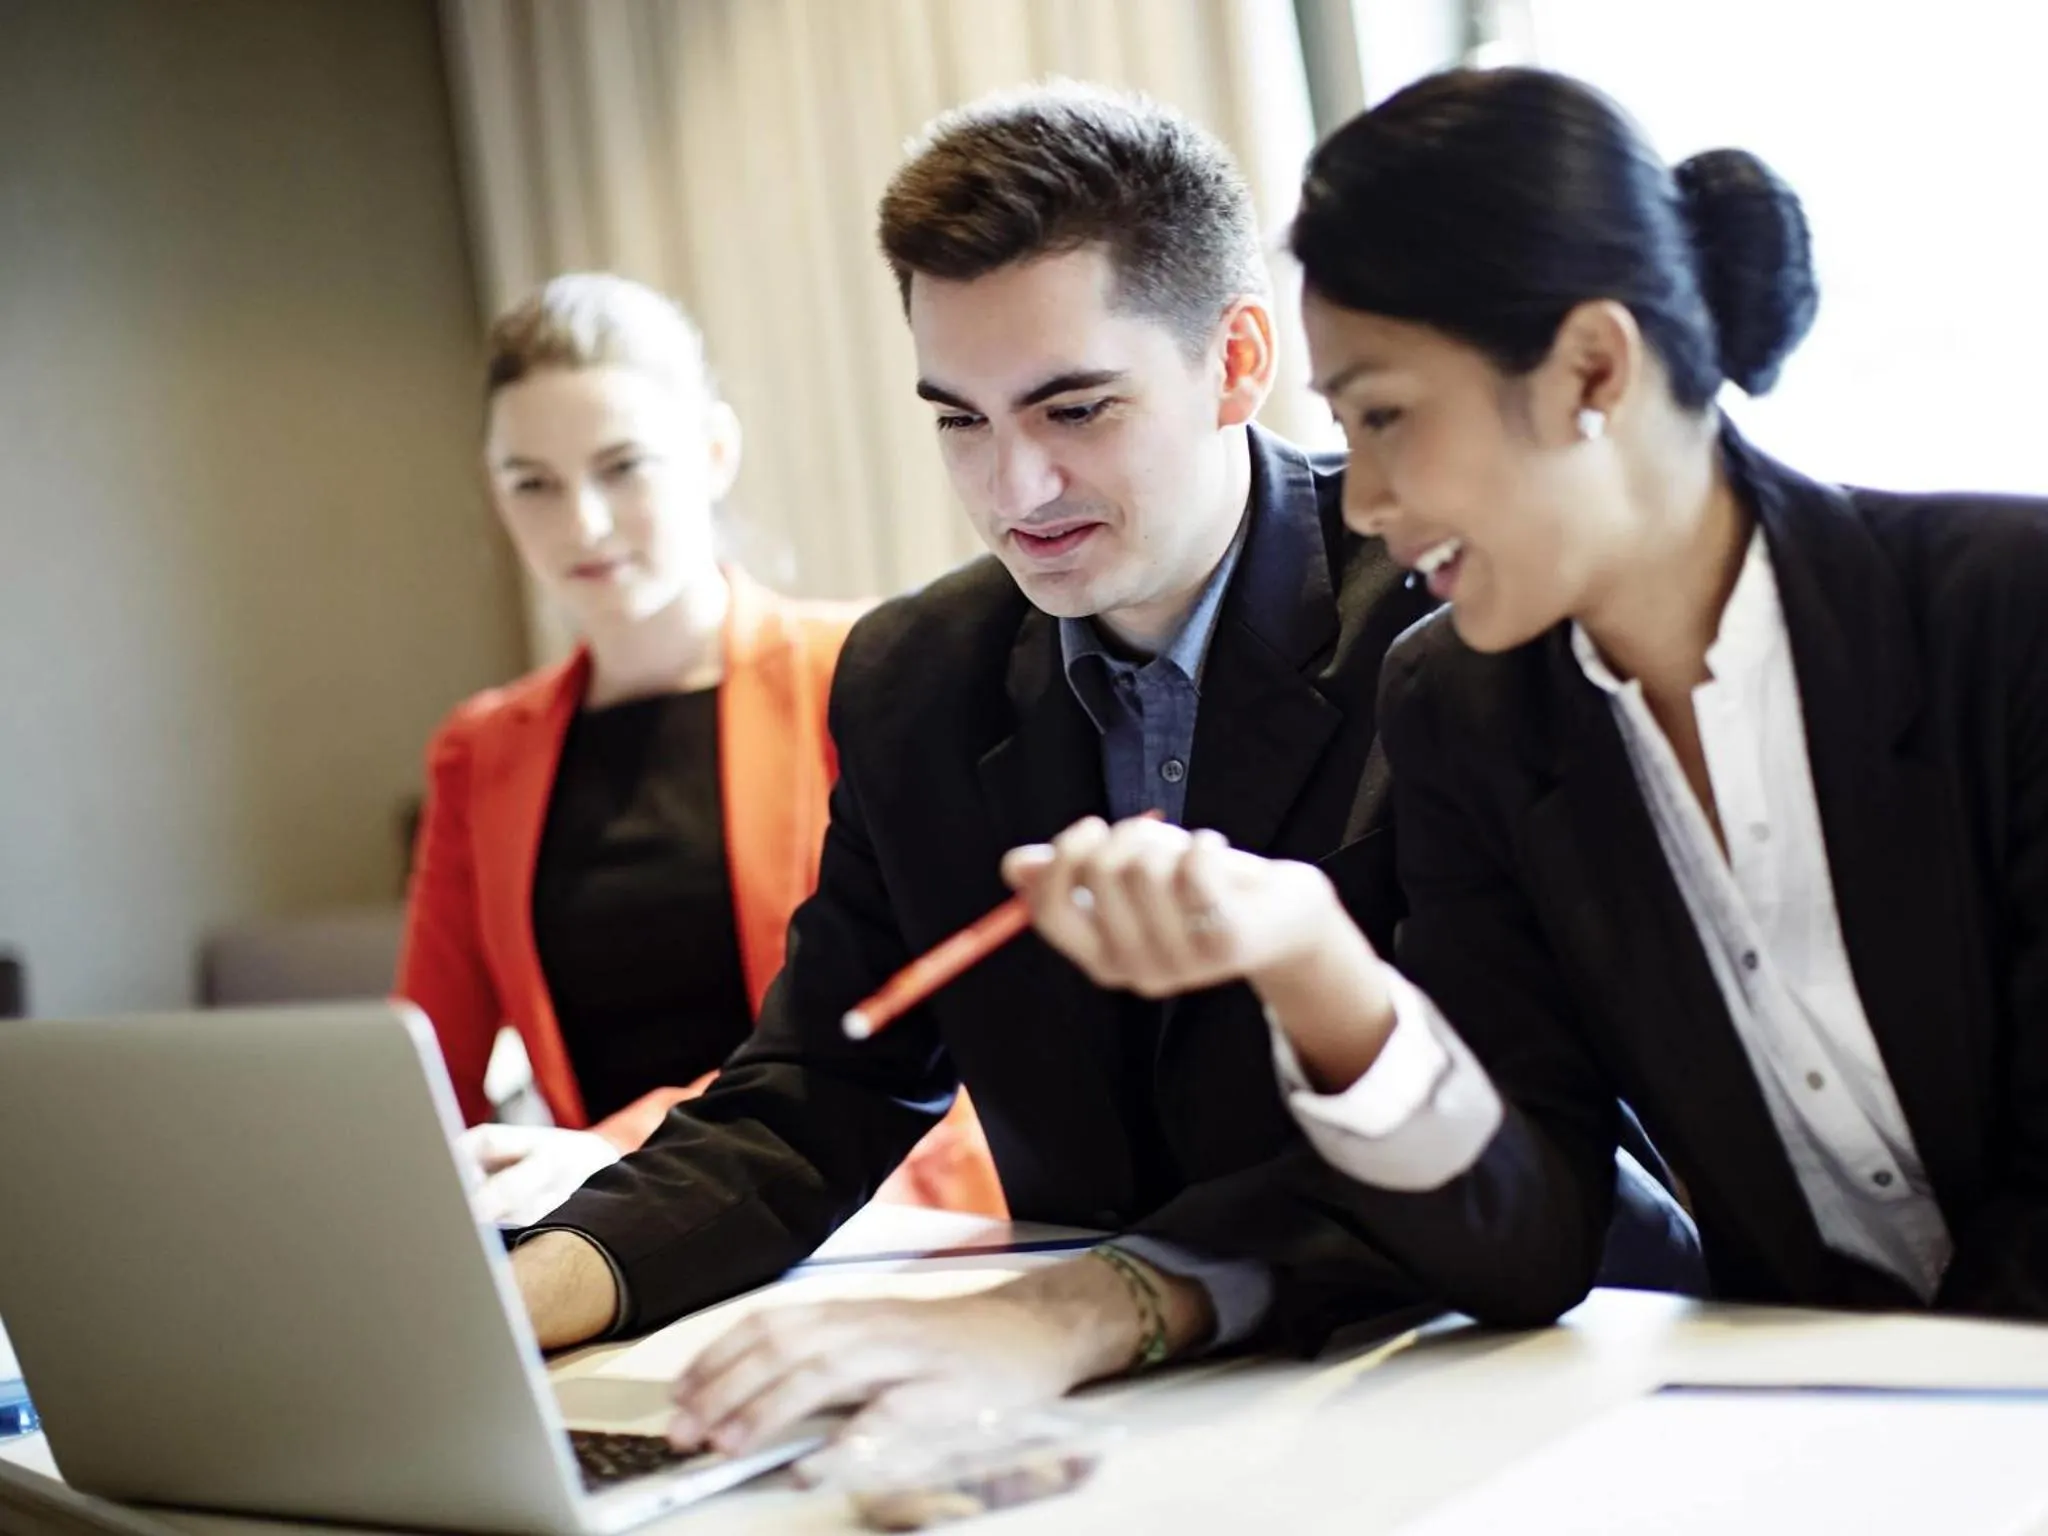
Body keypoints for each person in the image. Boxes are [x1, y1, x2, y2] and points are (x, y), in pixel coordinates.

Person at [508, 84, 1696, 1456]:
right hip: (1139, 1412)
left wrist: (1081, 1310)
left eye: (1074, 409)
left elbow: (1494, 1139)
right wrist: (519, 1297)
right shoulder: (917, 679)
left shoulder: (1454, 624)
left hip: (1509, 1376)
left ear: (1239, 359)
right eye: (958, 420)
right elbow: (813, 1092)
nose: (1015, 489)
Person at [1009, 66, 2048, 1323]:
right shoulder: (1459, 711)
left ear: (1591, 371)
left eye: (1386, 415)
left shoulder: (2005, 613)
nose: (1360, 501)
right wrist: (1316, 966)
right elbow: (1528, 1245)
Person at [397, 273, 1003, 1226]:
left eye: (623, 467)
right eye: (533, 485)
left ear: (714, 451)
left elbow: (914, 1037)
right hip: (605, 1244)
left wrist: (610, 1150)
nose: (582, 523)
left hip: (868, 1216)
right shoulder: (479, 753)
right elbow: (426, 1079)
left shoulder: (863, 673)